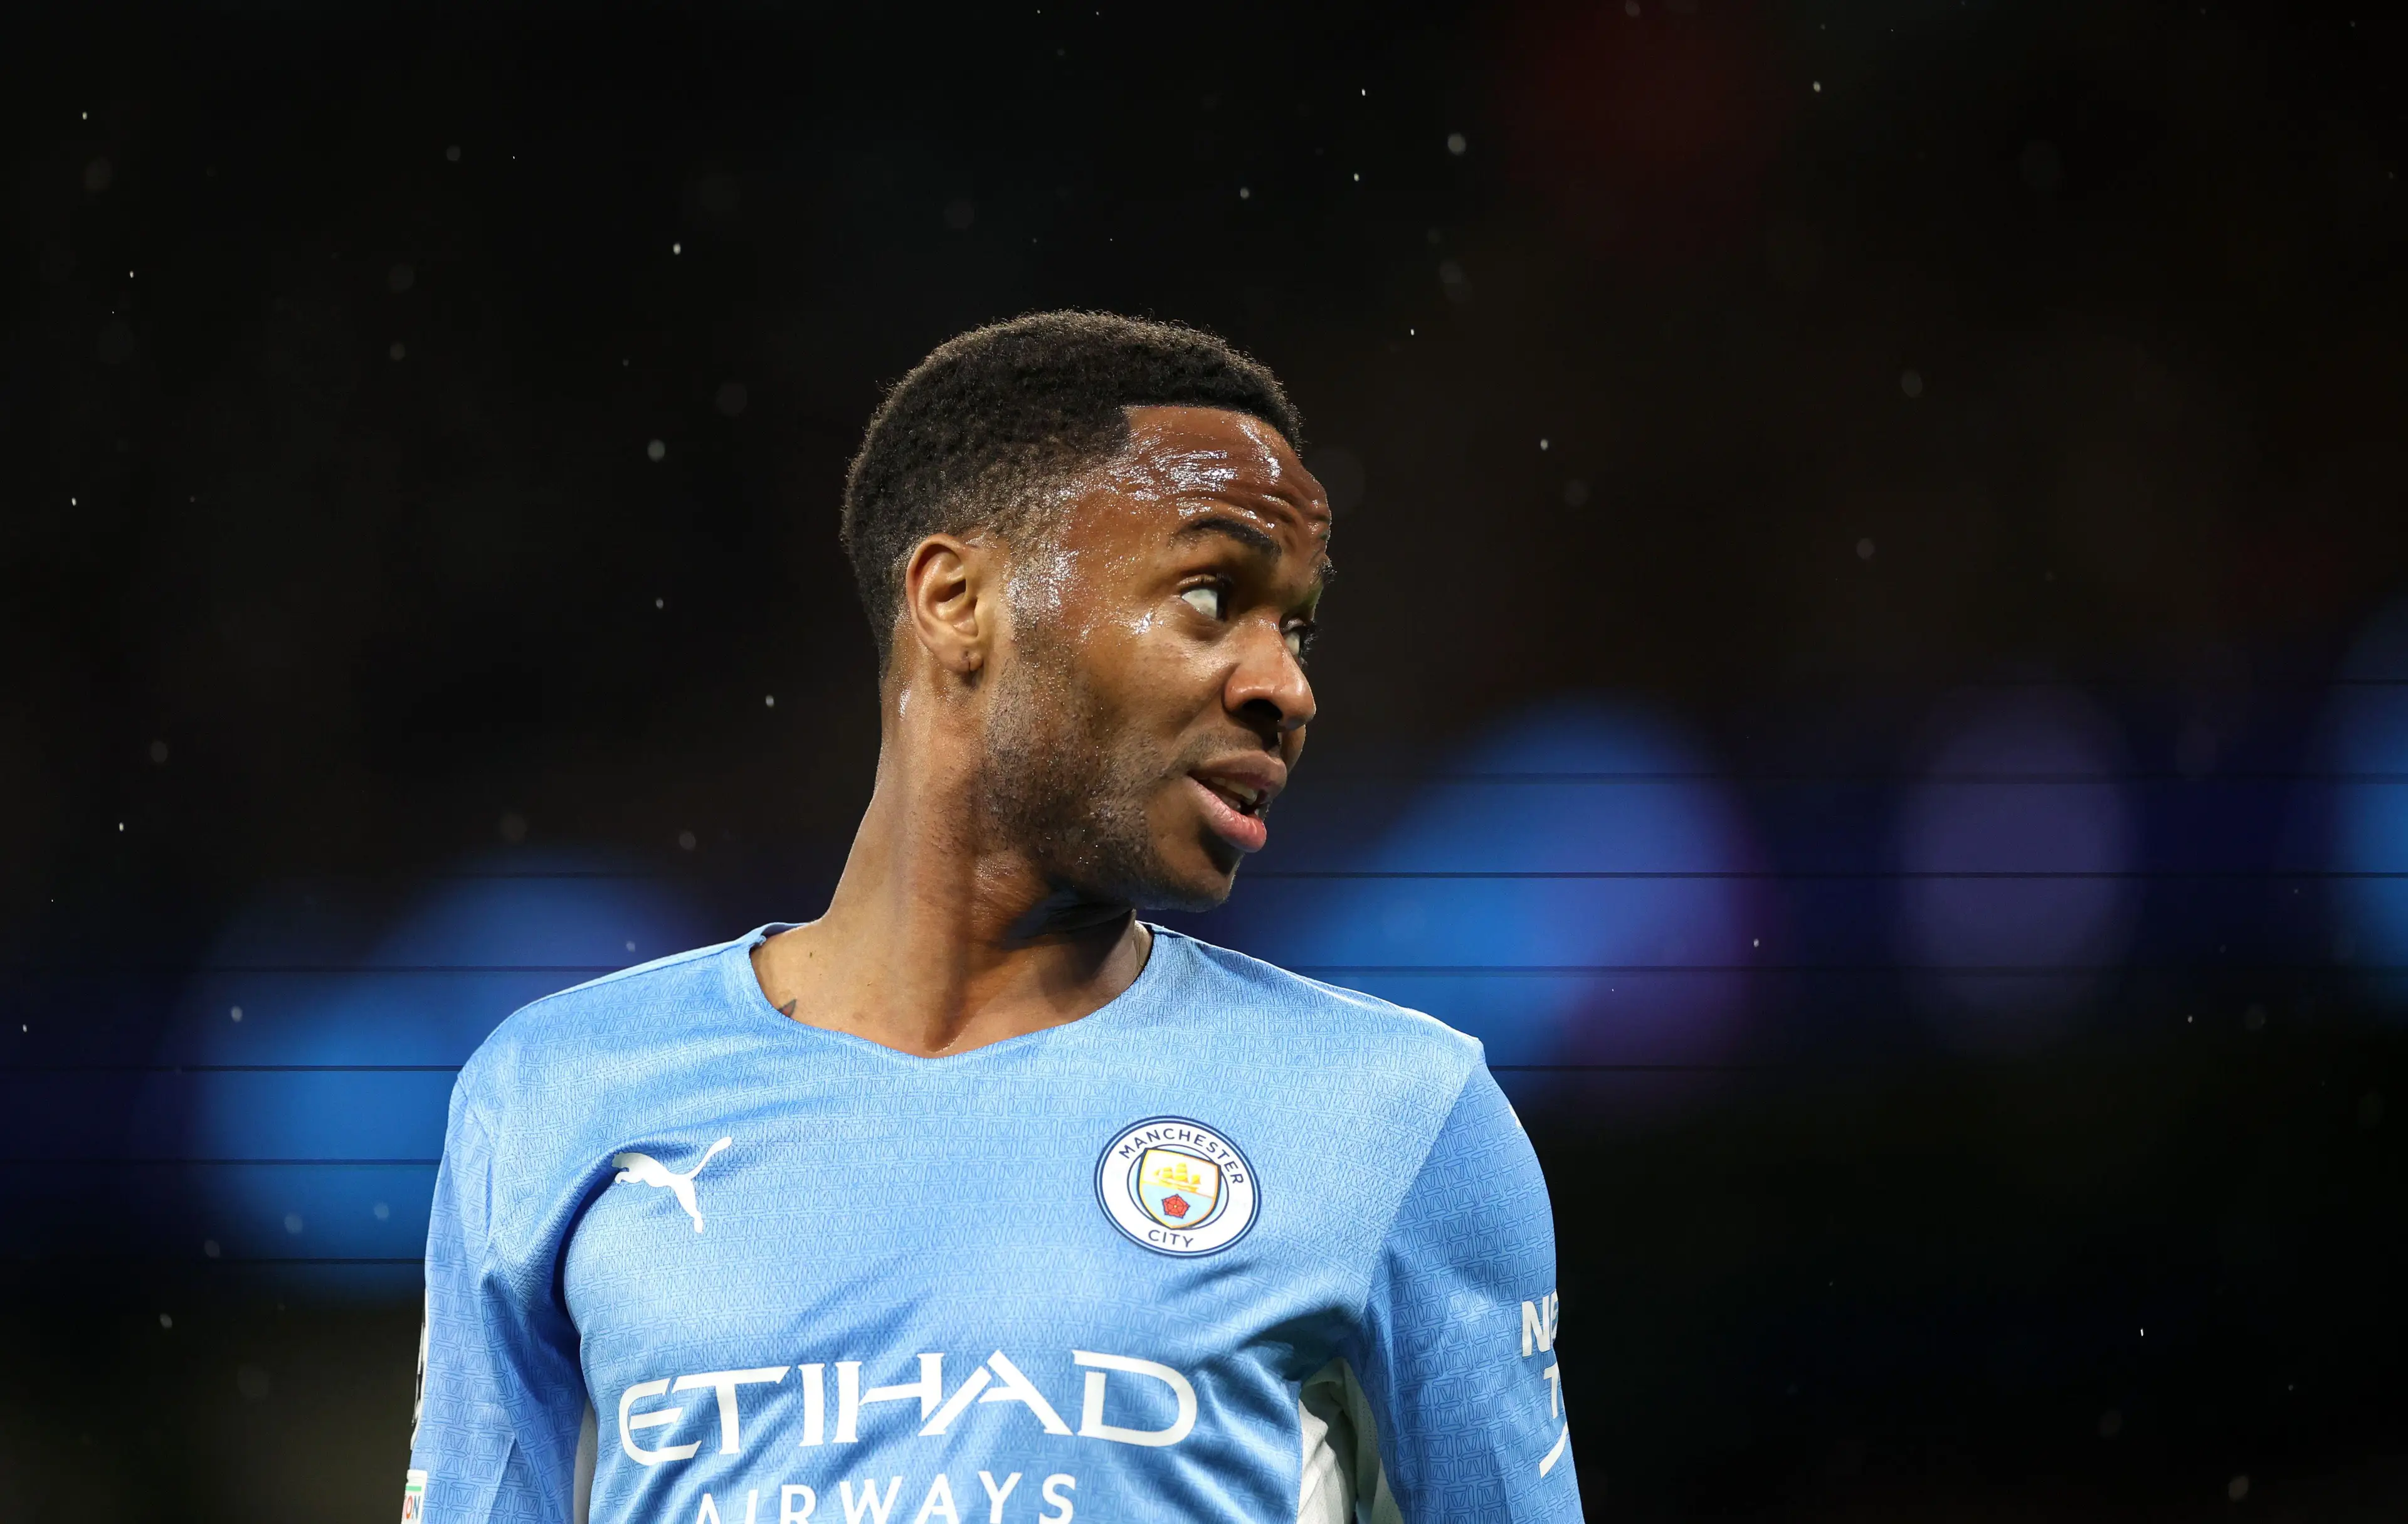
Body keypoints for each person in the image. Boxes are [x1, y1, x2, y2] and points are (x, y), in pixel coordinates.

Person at [405, 312, 1581, 1523]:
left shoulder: (1396, 1114)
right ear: (957, 601)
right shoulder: (557, 1091)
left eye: (1297, 625)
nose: (1285, 684)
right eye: (1210, 594)